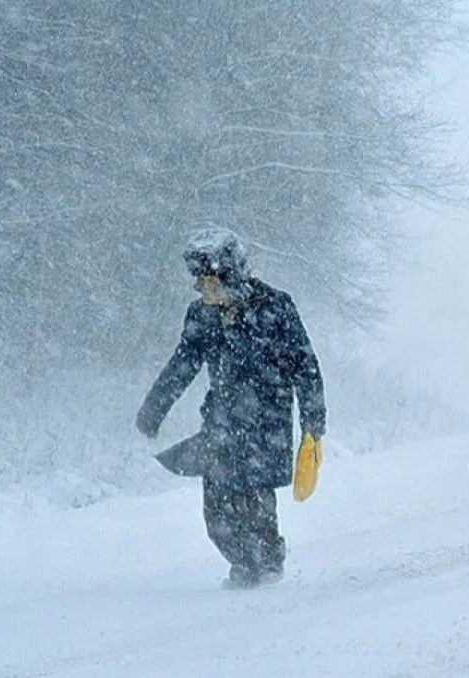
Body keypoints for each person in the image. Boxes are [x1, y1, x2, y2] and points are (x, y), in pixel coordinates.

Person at [135, 226, 326, 589]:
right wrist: (153, 409)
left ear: (231, 274)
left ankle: (267, 563)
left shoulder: (276, 308)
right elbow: (182, 364)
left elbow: (306, 367)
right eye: (199, 281)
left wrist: (313, 423)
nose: (202, 288)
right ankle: (242, 563)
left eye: (209, 280)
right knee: (217, 512)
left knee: (254, 501)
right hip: (220, 424)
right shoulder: (201, 316)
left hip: (266, 423)